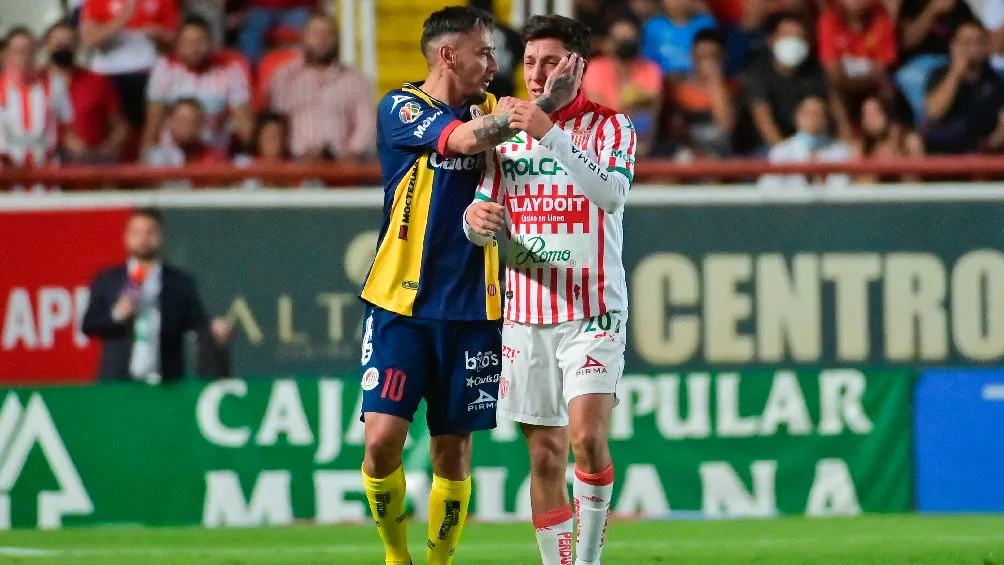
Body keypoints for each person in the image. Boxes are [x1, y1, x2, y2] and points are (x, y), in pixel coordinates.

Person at [357, 6, 583, 565]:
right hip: (399, 302)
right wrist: (547, 104)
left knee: (452, 454)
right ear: (448, 54)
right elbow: (463, 140)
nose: (494, 63)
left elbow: (519, 143)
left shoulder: (498, 109)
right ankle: (395, 553)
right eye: (484, 52)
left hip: (476, 310)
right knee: (381, 441)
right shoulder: (402, 107)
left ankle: (435, 563)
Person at [463, 14, 635, 565]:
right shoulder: (501, 131)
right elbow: (479, 207)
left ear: (577, 67)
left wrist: (547, 129)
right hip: (526, 313)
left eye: (551, 62)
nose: (536, 74)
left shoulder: (613, 127)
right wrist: (475, 220)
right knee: (544, 458)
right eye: (531, 62)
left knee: (586, 439)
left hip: (592, 311)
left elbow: (609, 196)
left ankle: (586, 562)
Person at [81, 208, 232, 383]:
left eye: (150, 232)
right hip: (120, 383)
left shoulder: (179, 282)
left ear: (161, 237)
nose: (143, 239)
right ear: (126, 237)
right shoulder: (108, 280)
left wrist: (217, 329)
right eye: (137, 233)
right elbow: (89, 325)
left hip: (165, 384)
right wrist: (116, 315)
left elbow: (198, 323)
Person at [757, 94, 853, 189]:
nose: (813, 118)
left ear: (826, 119)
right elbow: (768, 188)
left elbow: (842, 188)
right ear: (797, 117)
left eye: (818, 114)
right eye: (807, 113)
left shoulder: (841, 151)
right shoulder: (781, 151)